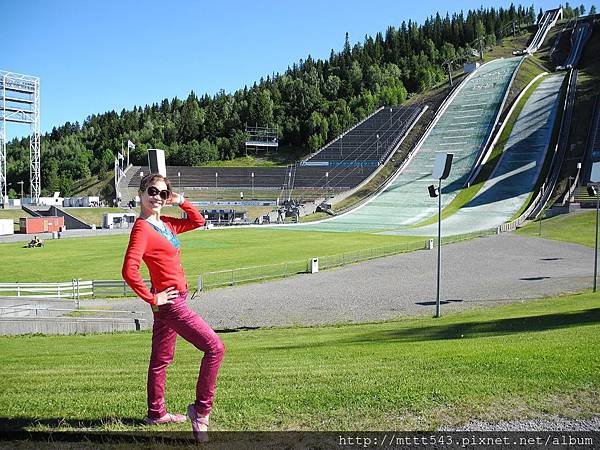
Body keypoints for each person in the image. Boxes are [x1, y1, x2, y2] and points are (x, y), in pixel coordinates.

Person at [122, 173, 225, 443]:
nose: (157, 197)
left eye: (162, 193)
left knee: (160, 360)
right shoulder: (142, 228)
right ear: (141, 194)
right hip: (170, 303)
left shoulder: (165, 224)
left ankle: (156, 413)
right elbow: (129, 270)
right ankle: (201, 412)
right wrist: (152, 298)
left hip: (170, 300)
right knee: (214, 348)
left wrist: (180, 200)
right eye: (152, 192)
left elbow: (198, 221)